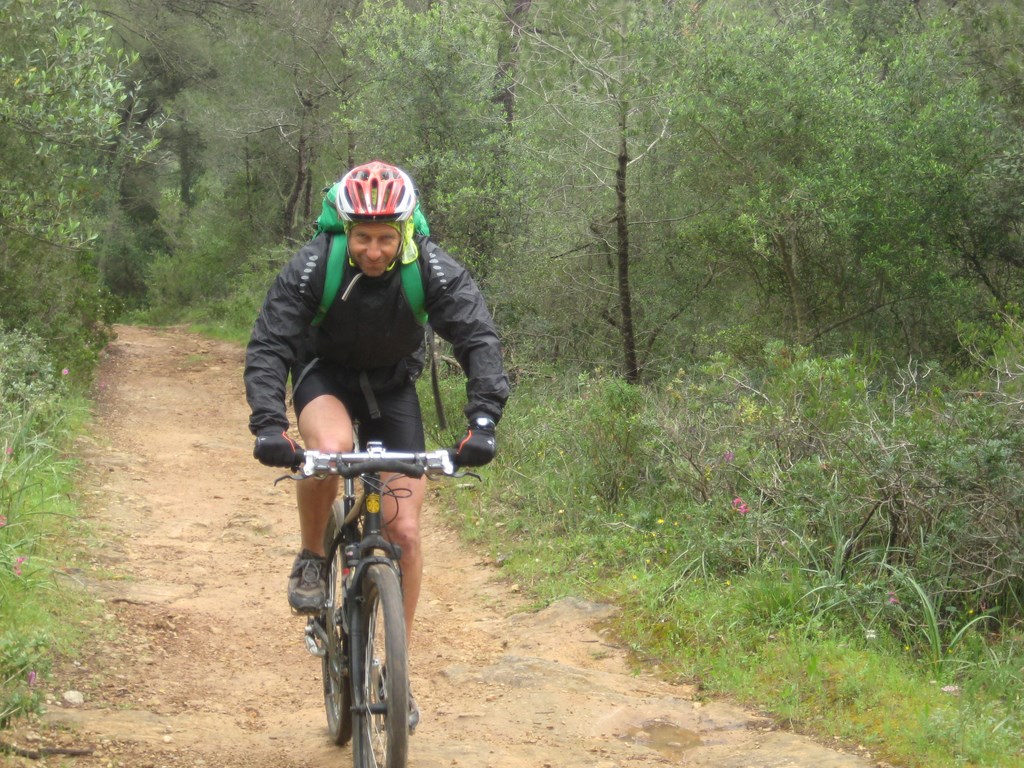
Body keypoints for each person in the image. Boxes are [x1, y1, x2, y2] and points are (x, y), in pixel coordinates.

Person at [244, 161, 509, 727]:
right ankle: (313, 555)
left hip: (392, 387)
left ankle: (397, 670)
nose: (373, 250)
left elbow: (477, 338)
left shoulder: (431, 267)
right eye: (362, 237)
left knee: (404, 532)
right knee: (331, 448)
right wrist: (269, 423)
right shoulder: (315, 263)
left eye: (385, 238)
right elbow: (270, 342)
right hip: (323, 376)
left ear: (404, 230)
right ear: (346, 230)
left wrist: (483, 420)